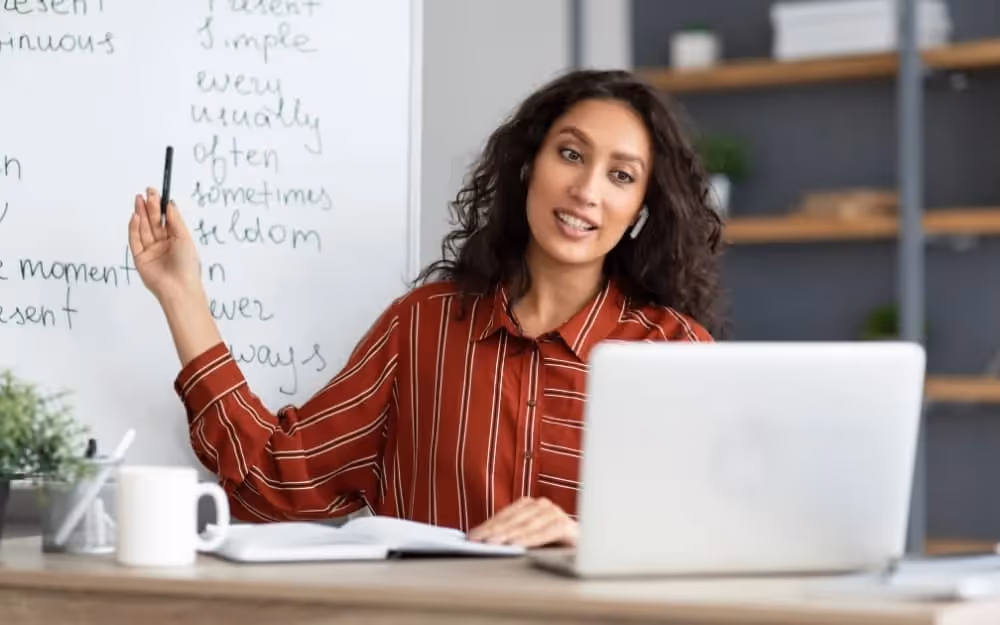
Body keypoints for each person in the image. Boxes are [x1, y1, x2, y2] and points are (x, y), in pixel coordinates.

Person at [127, 69, 723, 549]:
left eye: (620, 175)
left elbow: (719, 537)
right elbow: (276, 484)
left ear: (642, 208)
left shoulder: (672, 353)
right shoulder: (422, 327)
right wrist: (182, 298)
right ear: (528, 165)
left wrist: (587, 538)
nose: (587, 190)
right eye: (570, 154)